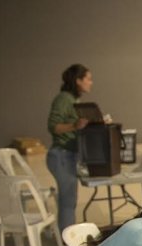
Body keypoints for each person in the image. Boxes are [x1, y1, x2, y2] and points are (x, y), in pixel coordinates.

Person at [47, 63, 91, 231]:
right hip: (61, 155)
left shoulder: (73, 99)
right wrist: (75, 126)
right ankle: (68, 239)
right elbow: (53, 126)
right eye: (88, 79)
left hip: (68, 155)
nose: (90, 82)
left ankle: (66, 233)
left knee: (69, 199)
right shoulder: (64, 99)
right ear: (78, 80)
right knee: (67, 200)